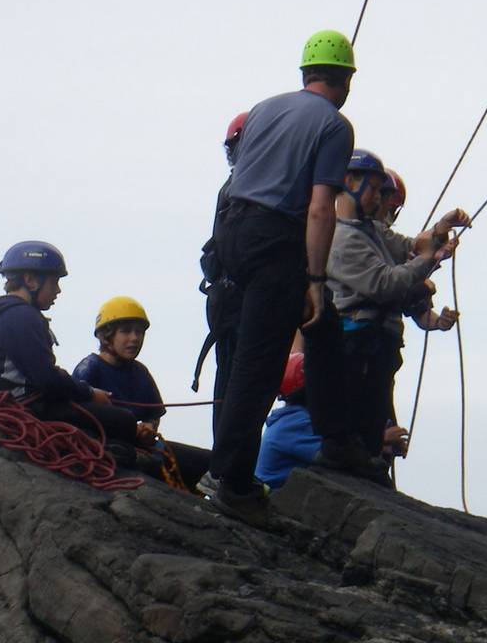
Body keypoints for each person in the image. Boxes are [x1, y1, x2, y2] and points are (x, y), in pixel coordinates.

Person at [207, 29, 356, 527]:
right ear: (346, 80)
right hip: (276, 238)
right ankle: (230, 480)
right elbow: (319, 208)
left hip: (233, 232)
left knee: (322, 329)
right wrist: (315, 280)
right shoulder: (335, 127)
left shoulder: (264, 108)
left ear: (305, 73)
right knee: (260, 360)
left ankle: (338, 442)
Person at [325, 150, 469, 462]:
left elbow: (409, 247)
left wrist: (440, 229)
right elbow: (385, 284)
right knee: (360, 426)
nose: (379, 199)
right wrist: (431, 258)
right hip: (357, 343)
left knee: (374, 420)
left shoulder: (369, 231)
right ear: (348, 182)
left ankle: (369, 462)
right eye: (375, 189)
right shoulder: (342, 239)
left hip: (376, 345)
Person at [0, 241, 143, 470]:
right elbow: (47, 380)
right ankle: (111, 458)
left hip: (0, 407)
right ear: (30, 280)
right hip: (23, 409)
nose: (58, 291)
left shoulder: (2, 314)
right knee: (124, 421)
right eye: (54, 282)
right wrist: (89, 392)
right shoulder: (22, 316)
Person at [74, 296, 210, 491]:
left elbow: (153, 414)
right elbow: (80, 417)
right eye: (126, 331)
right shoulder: (89, 369)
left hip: (143, 446)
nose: (135, 339)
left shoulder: (140, 372)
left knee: (208, 461)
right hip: (108, 446)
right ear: (107, 336)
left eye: (139, 332)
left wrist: (149, 428)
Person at [256, 347, 409, 490]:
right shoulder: (294, 423)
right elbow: (336, 456)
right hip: (277, 497)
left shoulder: (293, 418)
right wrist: (378, 441)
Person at [193, 112, 249, 438]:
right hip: (235, 299)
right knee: (235, 380)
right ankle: (228, 464)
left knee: (234, 379)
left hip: (230, 297)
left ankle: (229, 460)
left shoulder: (235, 185)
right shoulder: (242, 187)